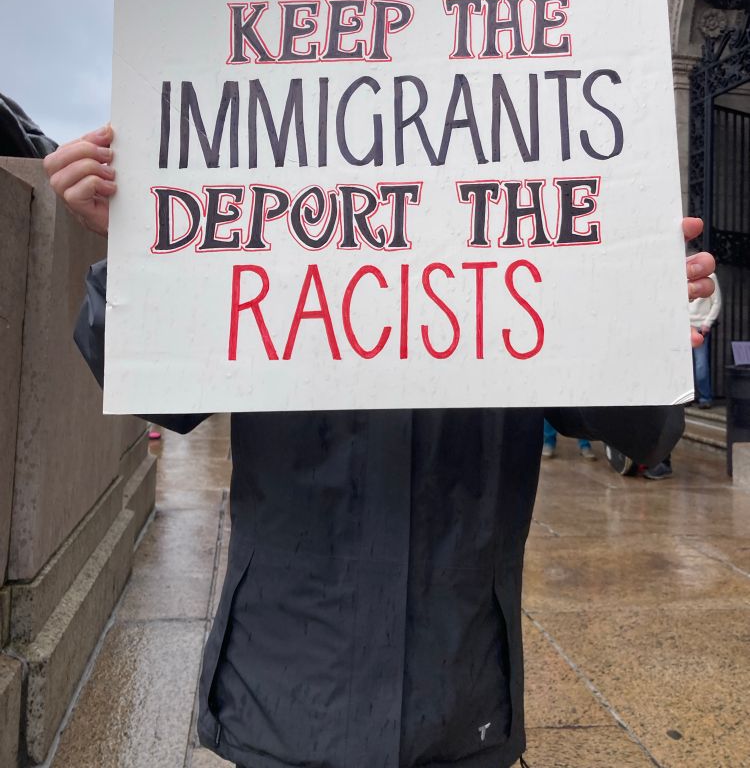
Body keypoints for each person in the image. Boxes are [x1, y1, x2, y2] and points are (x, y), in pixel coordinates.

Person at [43, 126, 715, 768]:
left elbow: (645, 431)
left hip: (457, 694)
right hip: (283, 691)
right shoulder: (271, 236)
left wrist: (636, 320)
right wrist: (141, 252)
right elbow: (158, 394)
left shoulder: (518, 249)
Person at [690, 271, 721, 409]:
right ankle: (688, 397)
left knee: (700, 364)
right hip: (683, 326)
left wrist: (707, 322)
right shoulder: (678, 274)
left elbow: (716, 301)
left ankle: (704, 397)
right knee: (685, 366)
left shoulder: (710, 276)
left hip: (699, 327)